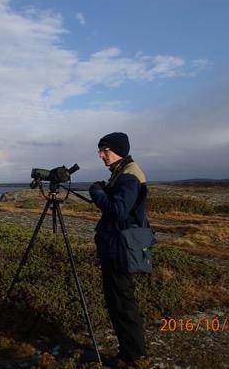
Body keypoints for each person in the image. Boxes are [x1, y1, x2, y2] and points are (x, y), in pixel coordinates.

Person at [89, 132, 149, 368]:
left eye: (105, 149)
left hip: (121, 247)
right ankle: (130, 351)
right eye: (100, 150)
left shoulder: (129, 176)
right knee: (119, 299)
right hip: (120, 245)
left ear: (119, 150)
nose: (101, 154)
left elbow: (118, 211)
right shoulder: (123, 172)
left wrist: (98, 193)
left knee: (122, 301)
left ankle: (133, 355)